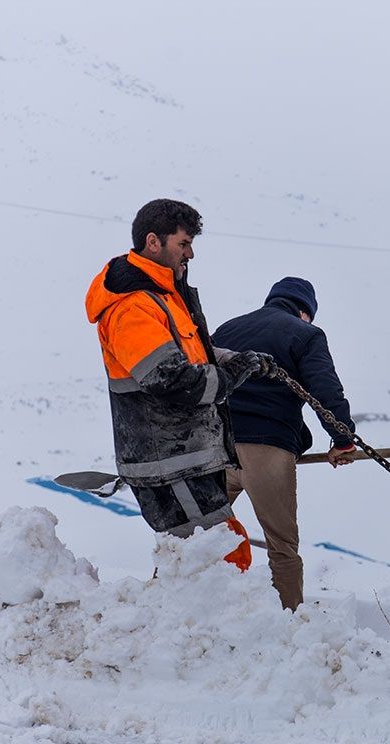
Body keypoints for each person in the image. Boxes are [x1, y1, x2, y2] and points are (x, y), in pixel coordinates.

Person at [84, 198, 272, 571]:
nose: (191, 254)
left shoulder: (165, 295)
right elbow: (169, 379)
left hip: (188, 459)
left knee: (204, 562)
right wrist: (230, 378)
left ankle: (204, 628)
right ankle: (213, 630)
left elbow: (187, 356)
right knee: (219, 561)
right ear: (154, 242)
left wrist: (231, 359)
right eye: (183, 244)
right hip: (168, 463)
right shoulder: (133, 306)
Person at [211, 277, 356, 610]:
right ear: (305, 312)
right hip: (268, 448)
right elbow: (325, 389)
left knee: (196, 534)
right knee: (282, 547)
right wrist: (343, 440)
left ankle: (164, 607)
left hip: (217, 447)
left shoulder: (227, 330)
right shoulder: (306, 334)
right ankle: (288, 626)